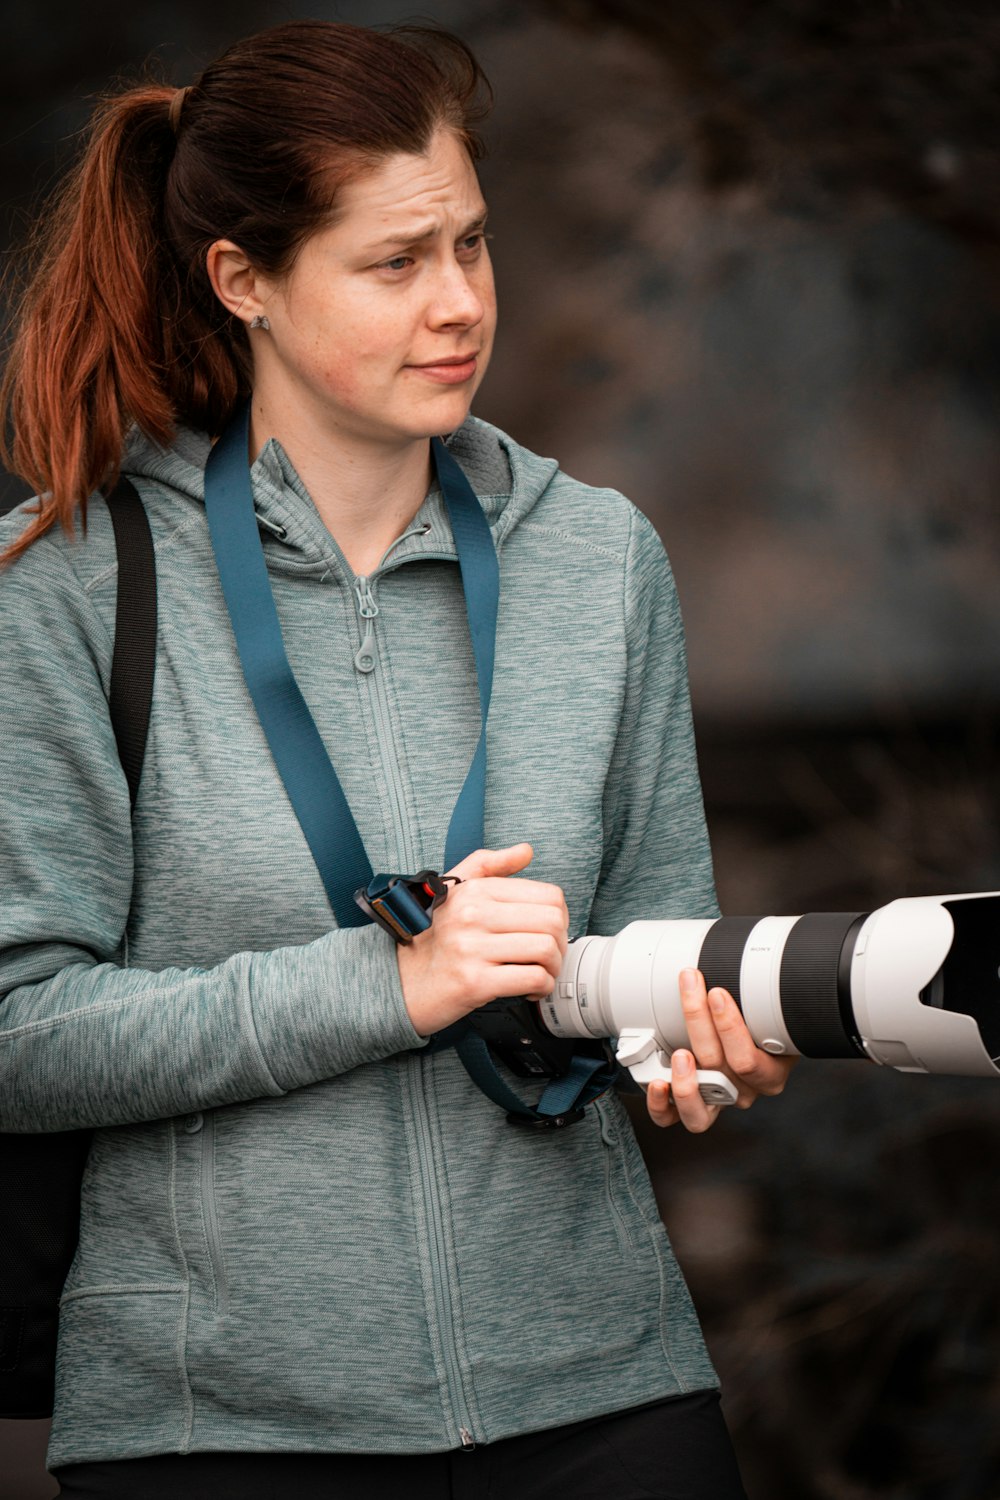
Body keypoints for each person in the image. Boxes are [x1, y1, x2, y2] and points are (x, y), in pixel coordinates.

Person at [0, 20, 793, 1499]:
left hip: (603, 1390)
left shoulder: (598, 560)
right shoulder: (62, 584)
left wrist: (683, 1036)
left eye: (474, 246)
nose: (459, 305)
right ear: (243, 279)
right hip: (221, 1426)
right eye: (396, 262)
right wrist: (390, 986)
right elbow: (18, 1029)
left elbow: (654, 931)